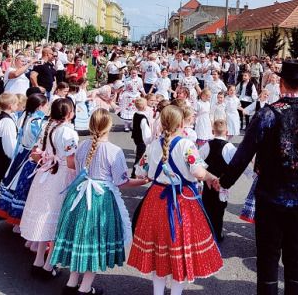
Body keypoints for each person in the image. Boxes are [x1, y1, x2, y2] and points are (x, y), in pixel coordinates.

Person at [219, 59, 298, 295]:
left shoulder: (268, 114)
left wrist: (224, 182)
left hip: (271, 196)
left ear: (282, 83)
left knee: (268, 256)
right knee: (296, 256)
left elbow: (243, 154)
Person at [129, 104, 223, 294]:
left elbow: (141, 172)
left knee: (159, 251)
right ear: (181, 122)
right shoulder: (186, 144)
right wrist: (212, 177)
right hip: (181, 201)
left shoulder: (153, 145)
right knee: (178, 250)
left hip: (156, 199)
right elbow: (197, 171)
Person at [51, 109, 146, 294]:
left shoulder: (82, 146)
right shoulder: (114, 151)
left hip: (78, 196)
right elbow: (122, 182)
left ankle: (71, 282)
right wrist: (143, 181)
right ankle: (85, 288)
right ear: (109, 126)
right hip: (99, 199)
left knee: (79, 238)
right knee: (95, 241)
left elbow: (76, 168)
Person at [19, 98, 78, 278]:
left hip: (44, 174)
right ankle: (48, 264)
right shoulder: (68, 132)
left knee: (45, 217)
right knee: (56, 219)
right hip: (60, 176)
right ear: (70, 114)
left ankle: (39, 260)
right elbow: (71, 161)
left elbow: (35, 153)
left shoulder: (47, 126)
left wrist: (46, 160)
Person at [0, 91, 48, 223]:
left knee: (13, 184)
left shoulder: (24, 116)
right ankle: (22, 220)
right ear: (40, 106)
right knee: (23, 188)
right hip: (29, 156)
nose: (47, 108)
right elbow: (38, 141)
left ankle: (12, 214)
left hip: (21, 154)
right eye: (46, 105)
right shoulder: (37, 121)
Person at [200, 119, 237, 242]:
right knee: (219, 210)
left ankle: (206, 233)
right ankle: (217, 233)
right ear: (227, 132)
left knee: (207, 208)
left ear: (212, 131)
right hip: (221, 184)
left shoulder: (206, 145)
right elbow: (238, 164)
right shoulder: (230, 147)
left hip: (207, 183)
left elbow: (198, 161)